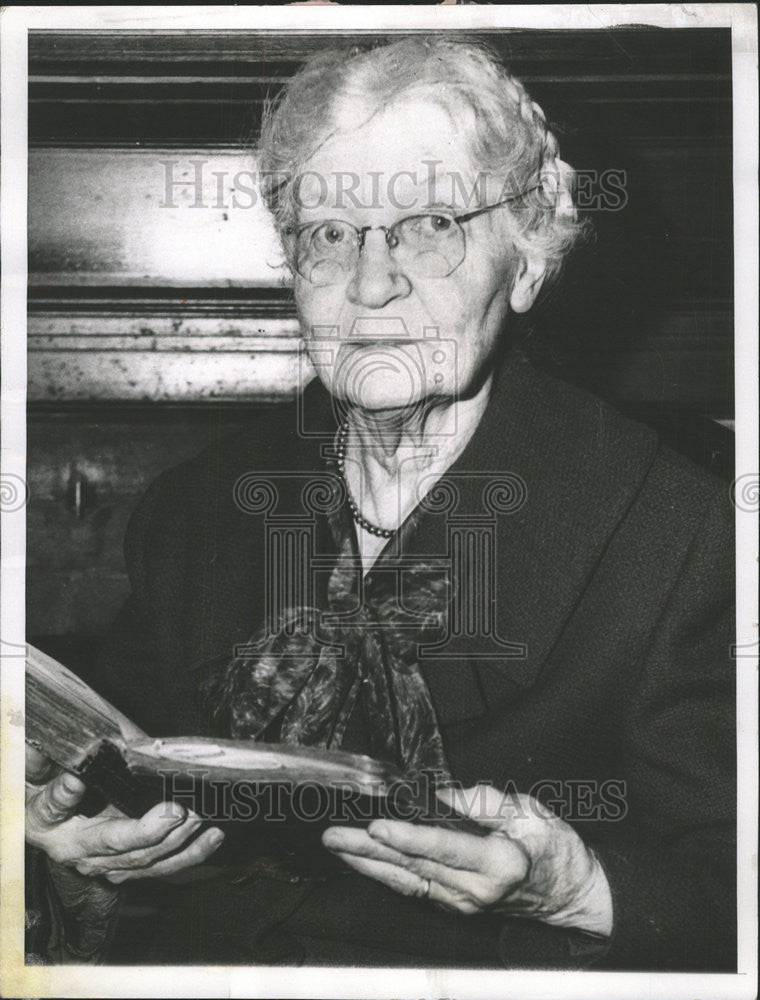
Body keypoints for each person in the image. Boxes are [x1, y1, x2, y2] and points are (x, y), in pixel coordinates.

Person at [25, 37, 735, 970]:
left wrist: (578, 888)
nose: (370, 283)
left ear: (526, 260)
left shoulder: (682, 531)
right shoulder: (195, 511)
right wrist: (73, 845)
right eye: (329, 234)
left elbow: (732, 886)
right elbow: (134, 780)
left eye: (431, 224)